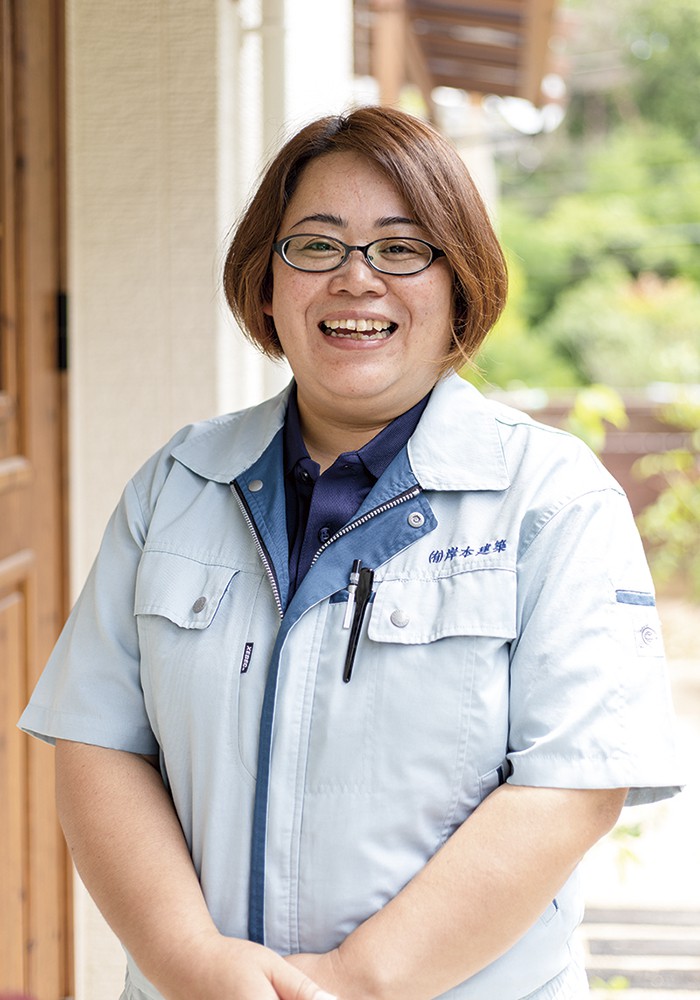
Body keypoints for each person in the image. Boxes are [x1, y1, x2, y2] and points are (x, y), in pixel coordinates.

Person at [19, 106, 682, 1000]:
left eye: (401, 248)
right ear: (266, 284)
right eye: (316, 246)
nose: (356, 279)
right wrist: (191, 963)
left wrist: (347, 982)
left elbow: (573, 786)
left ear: (459, 285)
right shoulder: (177, 485)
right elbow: (99, 743)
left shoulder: (553, 500)